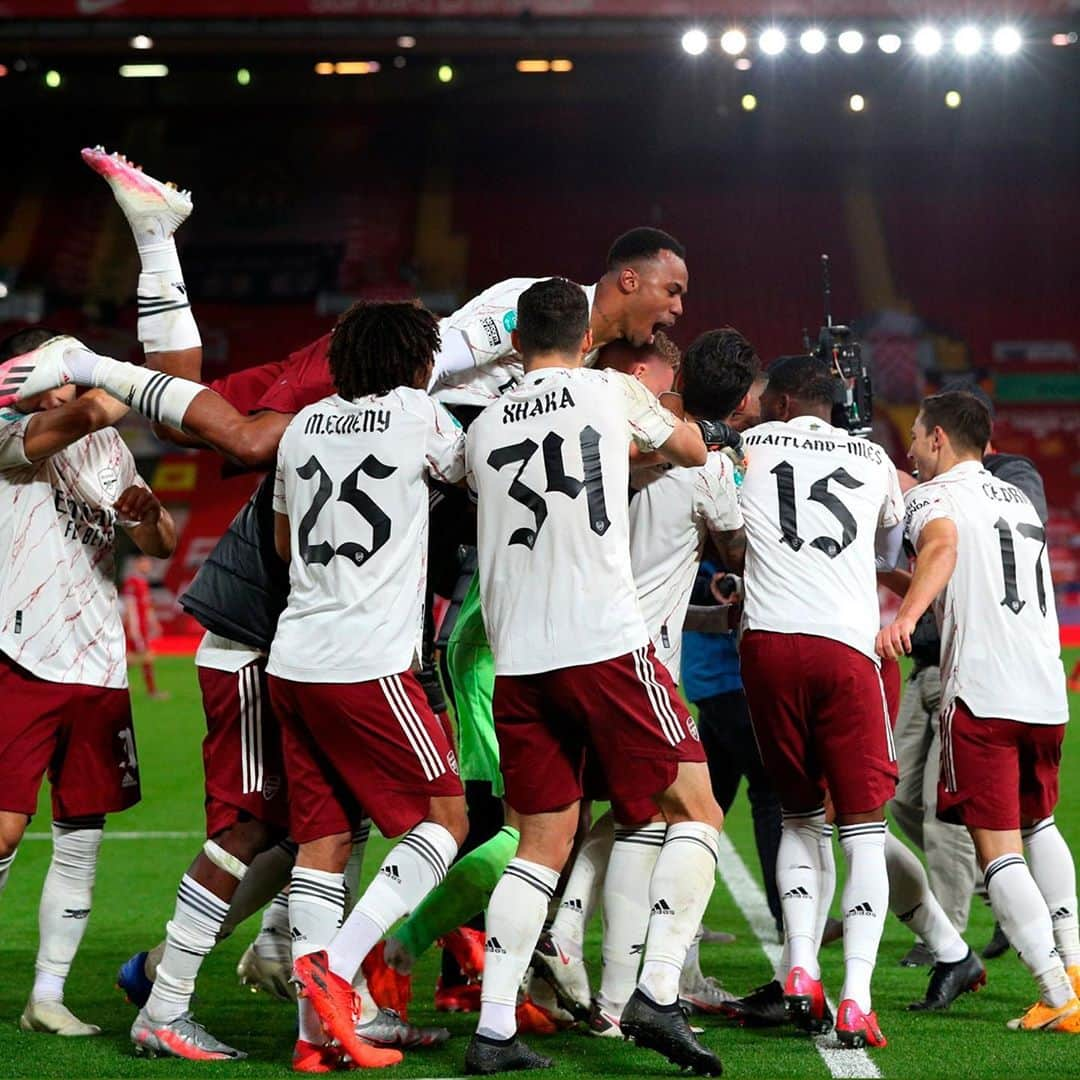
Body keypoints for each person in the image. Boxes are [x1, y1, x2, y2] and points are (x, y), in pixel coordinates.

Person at [463, 277, 723, 1076]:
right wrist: (660, 429)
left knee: (541, 841)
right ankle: (656, 992)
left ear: (515, 341)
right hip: (604, 642)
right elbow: (691, 449)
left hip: (519, 661)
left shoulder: (482, 424)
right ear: (584, 337)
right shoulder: (610, 389)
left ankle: (495, 1029)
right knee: (699, 810)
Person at [267, 299, 469, 1072]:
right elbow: (470, 475)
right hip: (368, 662)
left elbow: (287, 541)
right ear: (415, 362)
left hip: (295, 658)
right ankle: (338, 969)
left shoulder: (301, 425)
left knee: (322, 840)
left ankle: (314, 1039)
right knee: (444, 818)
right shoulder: (420, 414)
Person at [878, 390, 1080, 1034]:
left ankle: (1055, 995)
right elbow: (962, 582)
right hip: (1045, 690)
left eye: (915, 436)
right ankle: (1074, 966)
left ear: (938, 438)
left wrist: (903, 618)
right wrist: (893, 578)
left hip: (983, 695)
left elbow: (939, 550)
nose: (908, 448)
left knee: (999, 851)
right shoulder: (1013, 496)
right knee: (1040, 824)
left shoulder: (933, 499)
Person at [0, 327, 175, 1038]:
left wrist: (147, 518)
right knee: (4, 831)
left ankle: (48, 995)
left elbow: (159, 543)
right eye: (64, 365)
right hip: (21, 651)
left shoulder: (108, 449)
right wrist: (113, 378)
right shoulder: (13, 431)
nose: (74, 379)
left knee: (82, 837)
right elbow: (93, 409)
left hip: (99, 664)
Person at [736, 354, 904, 1049]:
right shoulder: (873, 459)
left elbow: (727, 529)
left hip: (768, 643)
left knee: (799, 815)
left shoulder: (746, 446)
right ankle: (857, 997)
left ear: (778, 403)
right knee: (863, 828)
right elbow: (887, 548)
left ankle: (802, 967)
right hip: (844, 646)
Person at [123, 554, 167, 700]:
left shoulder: (142, 582)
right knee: (146, 657)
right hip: (136, 628)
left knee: (134, 658)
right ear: (138, 563)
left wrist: (154, 624)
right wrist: (133, 628)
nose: (149, 565)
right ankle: (152, 691)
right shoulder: (132, 581)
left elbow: (146, 606)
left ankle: (119, 684)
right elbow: (130, 606)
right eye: (146, 562)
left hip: (142, 628)